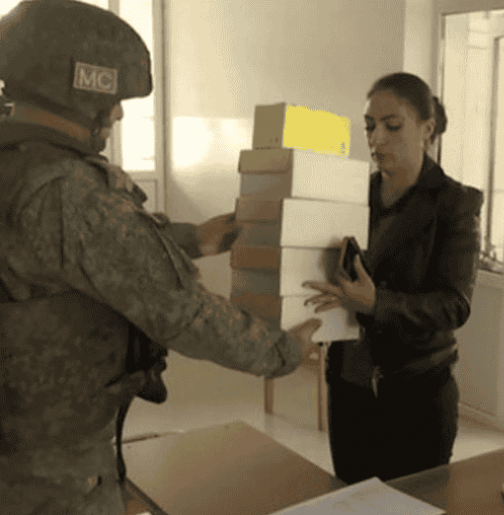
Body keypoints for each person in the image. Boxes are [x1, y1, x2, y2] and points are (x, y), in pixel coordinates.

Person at [0, 2, 320, 514]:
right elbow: (184, 312)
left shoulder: (20, 166)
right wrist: (284, 351)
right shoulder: (68, 190)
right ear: (79, 91)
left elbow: (78, 252)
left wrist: (194, 239)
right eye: (113, 100)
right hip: (52, 475)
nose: (118, 113)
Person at [303, 72, 483, 484]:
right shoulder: (352, 195)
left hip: (416, 393)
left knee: (410, 505)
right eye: (370, 127)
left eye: (392, 126)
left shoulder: (455, 203)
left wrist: (375, 303)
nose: (377, 138)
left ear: (427, 129)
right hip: (349, 387)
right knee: (351, 500)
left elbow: (454, 305)